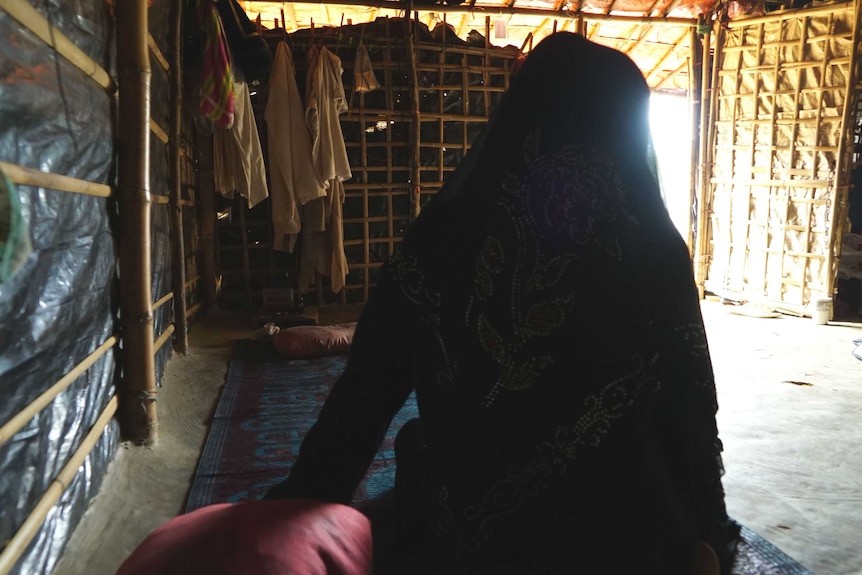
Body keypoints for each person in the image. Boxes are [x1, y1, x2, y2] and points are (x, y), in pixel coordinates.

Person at [264, 32, 740, 574]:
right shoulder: (655, 251)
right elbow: (695, 415)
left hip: (473, 544)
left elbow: (360, 407)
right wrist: (711, 541)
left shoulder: (442, 241)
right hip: (637, 545)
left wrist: (284, 517)